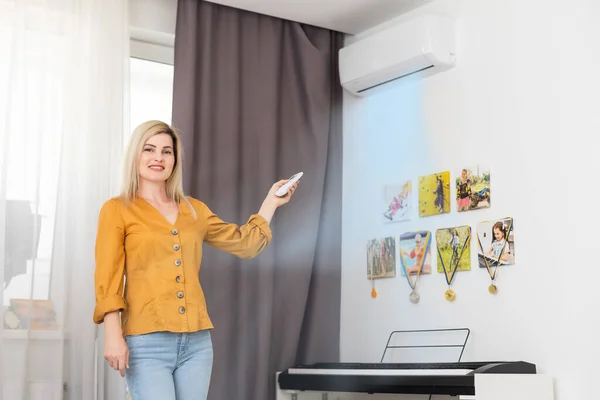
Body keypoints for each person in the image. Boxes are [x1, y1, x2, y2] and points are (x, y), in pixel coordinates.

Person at [92, 120, 298, 400]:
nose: (158, 158)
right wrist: (113, 336)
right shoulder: (117, 210)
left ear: (175, 160)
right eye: (149, 149)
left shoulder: (193, 210)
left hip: (197, 344)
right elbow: (108, 278)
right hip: (145, 342)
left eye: (167, 151)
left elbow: (245, 244)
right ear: (135, 155)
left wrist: (270, 203)